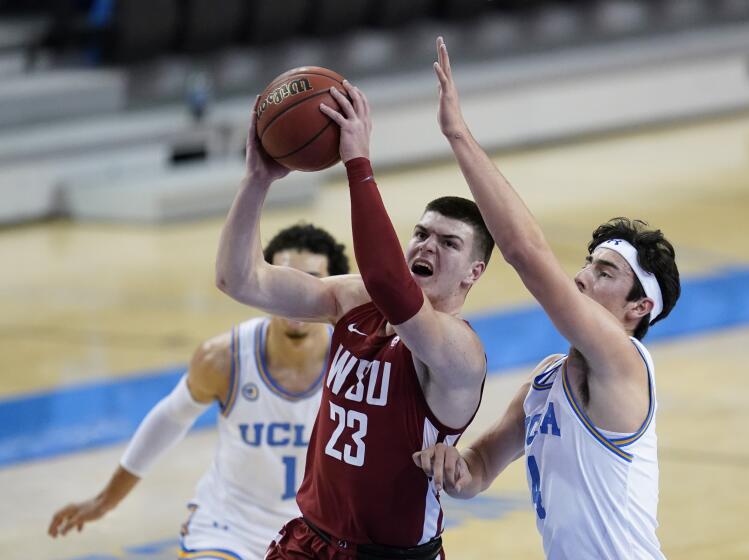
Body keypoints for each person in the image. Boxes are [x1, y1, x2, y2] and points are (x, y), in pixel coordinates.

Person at [413, 37, 681, 559]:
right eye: (587, 265)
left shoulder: (624, 363)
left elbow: (525, 253)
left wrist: (458, 135)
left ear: (638, 308)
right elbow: (481, 468)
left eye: (604, 273)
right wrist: (454, 467)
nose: (581, 279)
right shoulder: (545, 381)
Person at [215, 81, 494, 559]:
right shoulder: (355, 300)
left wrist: (358, 164)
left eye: (448, 243)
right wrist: (256, 181)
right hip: (309, 541)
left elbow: (389, 281)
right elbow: (239, 280)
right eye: (421, 233)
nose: (427, 246)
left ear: (475, 272)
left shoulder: (458, 354)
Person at [48, 223, 350, 560]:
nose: (294, 294)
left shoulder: (359, 363)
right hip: (228, 528)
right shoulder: (224, 358)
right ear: (266, 287)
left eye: (309, 280)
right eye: (284, 279)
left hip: (318, 535)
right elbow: (171, 417)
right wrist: (106, 499)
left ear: (333, 289)